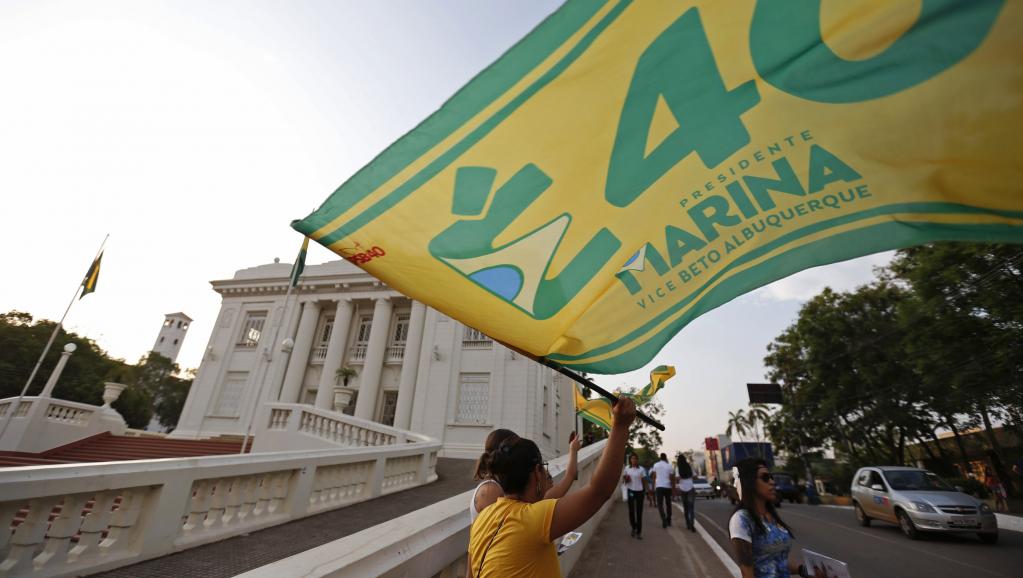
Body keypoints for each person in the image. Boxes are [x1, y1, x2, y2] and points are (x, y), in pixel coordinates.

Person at [467, 397, 637, 577]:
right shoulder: (533, 519)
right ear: (537, 471)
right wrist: (619, 426)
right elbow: (599, 491)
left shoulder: (483, 519)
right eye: (543, 467)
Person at [470, 429, 581, 523]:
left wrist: (573, 451)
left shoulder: (509, 488)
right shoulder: (491, 490)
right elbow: (501, 534)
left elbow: (555, 492)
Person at [729, 458, 813, 578]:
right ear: (749, 482)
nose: (772, 482)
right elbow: (747, 572)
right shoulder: (741, 520)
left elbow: (778, 562)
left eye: (771, 477)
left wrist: (804, 570)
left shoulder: (771, 517)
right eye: (765, 478)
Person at [622, 454, 647, 539]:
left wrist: (644, 491)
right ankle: (633, 527)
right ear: (630, 460)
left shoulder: (641, 469)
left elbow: (644, 480)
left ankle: (639, 532)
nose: (634, 460)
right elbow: (624, 479)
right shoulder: (627, 468)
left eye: (636, 459)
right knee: (631, 511)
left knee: (639, 512)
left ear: (637, 460)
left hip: (639, 492)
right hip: (630, 491)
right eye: (632, 459)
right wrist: (626, 478)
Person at [650, 453, 675, 528]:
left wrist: (653, 487)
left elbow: (654, 477)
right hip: (667, 487)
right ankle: (669, 520)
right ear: (665, 458)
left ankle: (663, 519)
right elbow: (671, 478)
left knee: (660, 504)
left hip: (659, 486)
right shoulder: (669, 465)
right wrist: (673, 488)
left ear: (660, 458)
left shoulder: (656, 465)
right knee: (668, 504)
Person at [677, 457, 696, 532]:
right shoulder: (689, 466)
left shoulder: (677, 468)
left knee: (685, 508)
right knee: (691, 508)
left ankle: (688, 524)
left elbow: (677, 478)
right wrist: (690, 477)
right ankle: (692, 524)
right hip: (690, 488)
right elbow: (695, 477)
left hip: (682, 489)